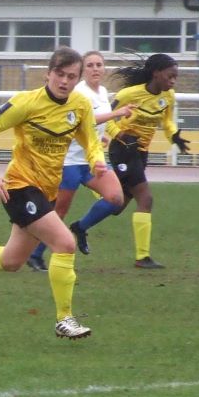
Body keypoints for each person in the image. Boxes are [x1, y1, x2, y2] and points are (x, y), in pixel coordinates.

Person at [0, 47, 116, 340]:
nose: (65, 81)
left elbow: (90, 137)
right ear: (48, 73)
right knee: (65, 243)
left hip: (47, 190)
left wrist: (97, 158)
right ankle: (64, 319)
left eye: (71, 76)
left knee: (11, 261)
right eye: (60, 74)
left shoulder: (79, 105)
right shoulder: (26, 103)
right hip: (20, 187)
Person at [69, 53, 187, 269]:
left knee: (119, 203)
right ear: (156, 73)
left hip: (140, 152)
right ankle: (142, 257)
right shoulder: (129, 94)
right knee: (146, 198)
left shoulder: (168, 96)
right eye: (170, 76)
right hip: (123, 150)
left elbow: (167, 121)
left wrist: (174, 136)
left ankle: (80, 226)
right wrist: (120, 136)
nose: (172, 81)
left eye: (175, 77)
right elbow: (109, 119)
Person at [26, 50, 132, 271]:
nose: (95, 69)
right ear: (83, 71)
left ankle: (81, 227)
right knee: (59, 212)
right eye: (90, 65)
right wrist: (116, 114)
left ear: (104, 69)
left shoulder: (102, 91)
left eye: (99, 65)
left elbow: (89, 126)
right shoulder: (79, 93)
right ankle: (35, 255)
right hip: (69, 162)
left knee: (116, 198)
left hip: (92, 160)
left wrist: (101, 136)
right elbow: (82, 120)